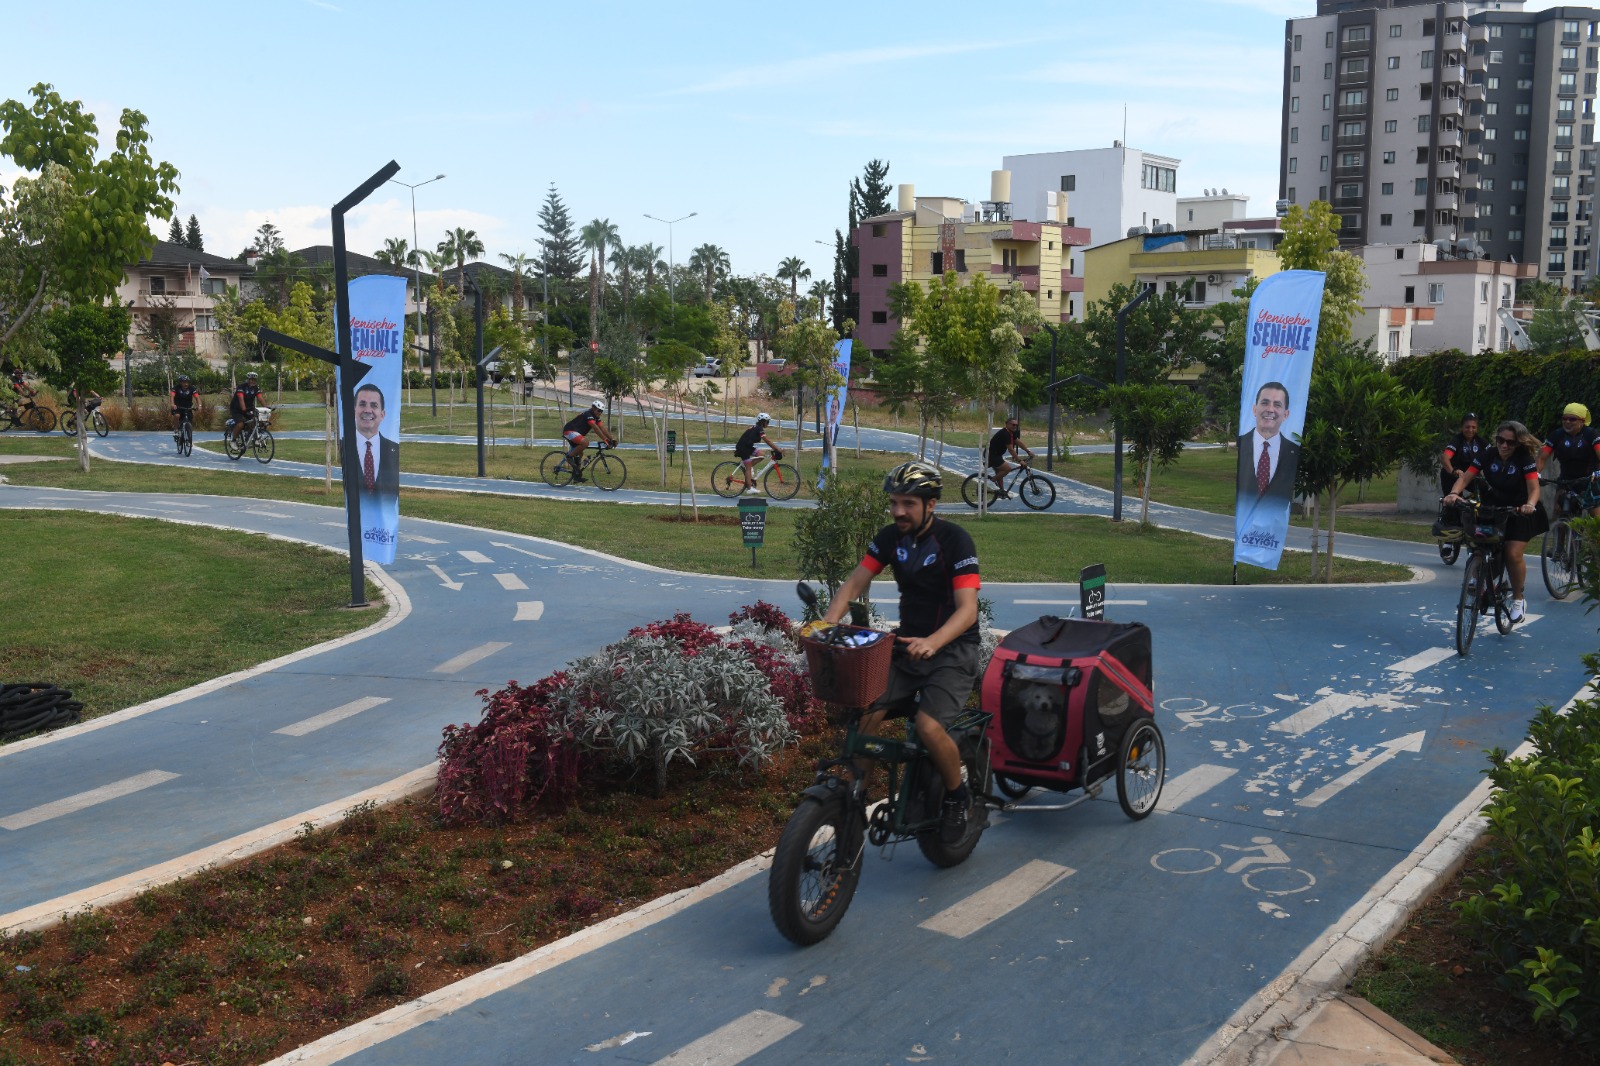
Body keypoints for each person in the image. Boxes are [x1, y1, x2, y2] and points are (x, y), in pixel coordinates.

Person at [821, 460, 982, 845]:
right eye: (894, 502)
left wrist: (934, 642)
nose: (898, 511)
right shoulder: (891, 537)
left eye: (908, 503)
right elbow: (854, 584)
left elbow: (968, 609)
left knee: (928, 727)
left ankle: (958, 798)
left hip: (953, 652)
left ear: (932, 505)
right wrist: (827, 623)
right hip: (908, 648)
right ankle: (855, 795)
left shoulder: (955, 541)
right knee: (867, 709)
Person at [1444, 420, 1548, 622]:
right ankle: (1480, 574)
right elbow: (1466, 477)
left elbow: (1534, 488)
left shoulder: (1524, 459)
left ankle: (1518, 598)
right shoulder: (1488, 454)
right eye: (1501, 440)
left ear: (1518, 443)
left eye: (1510, 442)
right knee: (1479, 541)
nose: (1504, 446)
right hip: (1494, 507)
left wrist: (1529, 504)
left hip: (1520, 509)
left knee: (1512, 552)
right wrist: (1454, 493)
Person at [1236, 381, 1302, 503]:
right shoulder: (1240, 443)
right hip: (1245, 516)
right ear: (1255, 409)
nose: (1270, 409)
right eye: (1265, 403)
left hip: (1276, 519)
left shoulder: (1294, 451)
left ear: (1286, 414)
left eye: (1277, 405)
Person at [1538, 402, 1600, 517]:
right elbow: (1542, 458)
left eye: (1572, 419)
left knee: (1596, 519)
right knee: (1558, 514)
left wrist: (1598, 473)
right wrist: (1536, 473)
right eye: (1564, 418)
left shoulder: (1591, 434)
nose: (1567, 422)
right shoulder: (1556, 435)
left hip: (1589, 480)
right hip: (1566, 481)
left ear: (1582, 421)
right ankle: (1562, 531)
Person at [352, 383, 400, 497]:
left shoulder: (395, 450)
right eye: (362, 404)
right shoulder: (343, 446)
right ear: (354, 411)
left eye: (374, 405)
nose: (368, 410)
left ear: (382, 414)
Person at [561, 400, 615, 483]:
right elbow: (596, 428)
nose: (600, 413)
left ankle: (576, 475)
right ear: (593, 408)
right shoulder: (588, 414)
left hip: (575, 433)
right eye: (599, 410)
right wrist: (605, 440)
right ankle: (568, 457)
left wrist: (611, 439)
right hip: (569, 431)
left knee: (580, 454)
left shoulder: (596, 417)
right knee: (585, 443)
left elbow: (602, 428)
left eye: (601, 411)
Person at [986, 416, 1035, 496]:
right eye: (1013, 424)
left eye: (1016, 425)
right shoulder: (1005, 434)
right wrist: (1020, 461)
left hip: (997, 455)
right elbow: (1011, 449)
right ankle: (990, 482)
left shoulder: (1011, 432)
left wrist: (1028, 451)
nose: (1015, 426)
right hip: (991, 455)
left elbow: (1018, 442)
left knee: (1000, 473)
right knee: (1007, 469)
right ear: (1007, 424)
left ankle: (1001, 492)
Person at [734, 413, 781, 494]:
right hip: (743, 448)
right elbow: (767, 441)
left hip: (747, 446)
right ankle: (749, 488)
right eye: (767, 422)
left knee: (762, 455)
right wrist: (777, 449)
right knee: (748, 467)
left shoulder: (758, 428)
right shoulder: (759, 429)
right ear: (763, 422)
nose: (768, 424)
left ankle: (749, 469)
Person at [229, 371, 261, 443]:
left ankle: (250, 438)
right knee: (240, 424)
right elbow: (241, 398)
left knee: (255, 421)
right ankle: (233, 440)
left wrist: (267, 406)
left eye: (254, 380)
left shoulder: (255, 388)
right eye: (251, 379)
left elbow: (260, 398)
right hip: (236, 409)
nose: (252, 381)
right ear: (248, 380)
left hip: (248, 409)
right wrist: (244, 409)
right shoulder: (241, 387)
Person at [170, 374, 200, 440]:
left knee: (189, 421)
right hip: (177, 407)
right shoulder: (176, 388)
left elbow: (197, 397)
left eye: (187, 382)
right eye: (184, 382)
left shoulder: (192, 388)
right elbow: (172, 396)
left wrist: (199, 405)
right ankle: (176, 429)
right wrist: (172, 404)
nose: (186, 384)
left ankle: (189, 438)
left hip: (187, 407)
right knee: (177, 416)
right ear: (180, 382)